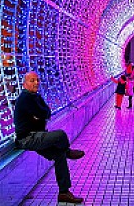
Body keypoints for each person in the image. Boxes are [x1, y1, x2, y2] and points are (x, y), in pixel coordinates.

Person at [14, 72, 85, 204]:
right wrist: (40, 115)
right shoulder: (26, 98)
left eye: (37, 80)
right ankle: (68, 151)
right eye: (32, 80)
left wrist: (40, 115)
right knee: (61, 135)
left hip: (37, 135)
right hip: (28, 138)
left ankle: (64, 193)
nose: (36, 83)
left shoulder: (35, 96)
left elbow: (46, 112)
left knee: (59, 155)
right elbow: (43, 112)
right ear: (24, 84)